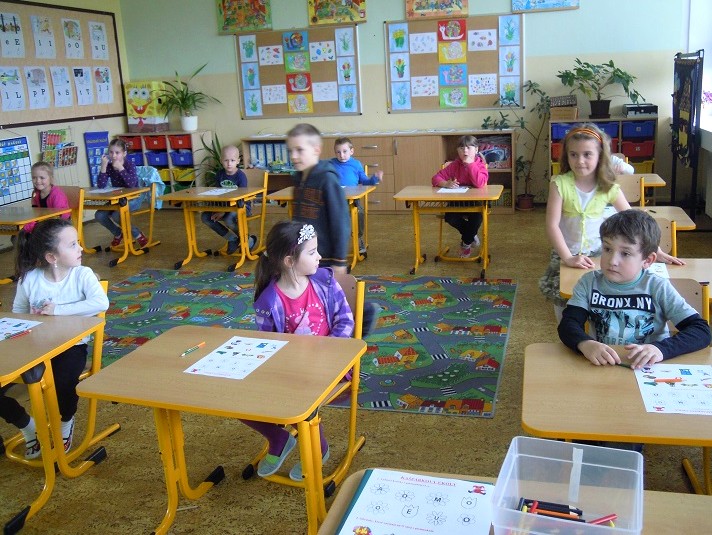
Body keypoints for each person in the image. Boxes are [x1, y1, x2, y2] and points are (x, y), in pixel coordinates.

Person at [539, 124, 682, 322]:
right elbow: (552, 225)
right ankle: (570, 333)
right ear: (566, 156)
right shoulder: (559, 184)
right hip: (566, 254)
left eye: (587, 154)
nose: (580, 161)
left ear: (600, 155)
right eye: (573, 155)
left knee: (598, 301)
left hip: (599, 255)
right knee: (565, 304)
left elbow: (634, 221)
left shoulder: (608, 186)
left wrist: (655, 251)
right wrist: (568, 257)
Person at [248, 221, 354, 480]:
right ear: (289, 261)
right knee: (236, 395)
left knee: (299, 396)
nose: (319, 256)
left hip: (331, 365)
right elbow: (269, 345)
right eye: (312, 252)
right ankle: (278, 438)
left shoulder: (325, 282)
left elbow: (345, 321)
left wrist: (326, 352)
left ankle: (319, 448)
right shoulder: (269, 301)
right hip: (288, 370)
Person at [3, 219, 109, 460]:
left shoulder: (82, 274)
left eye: (78, 242)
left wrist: (57, 310)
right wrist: (31, 319)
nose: (80, 248)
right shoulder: (30, 278)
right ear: (52, 257)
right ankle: (27, 426)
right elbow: (17, 313)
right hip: (35, 347)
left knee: (62, 382)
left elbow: (100, 302)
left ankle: (64, 422)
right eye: (72, 244)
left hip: (71, 347)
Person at [559, 209, 711, 369]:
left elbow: (701, 331)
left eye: (625, 253)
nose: (612, 261)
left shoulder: (657, 286)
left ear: (648, 260)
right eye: (607, 249)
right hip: (606, 365)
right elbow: (568, 324)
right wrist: (585, 343)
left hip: (650, 368)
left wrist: (661, 349)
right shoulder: (589, 282)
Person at [287, 124, 380, 335]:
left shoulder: (327, 178)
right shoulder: (299, 179)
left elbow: (341, 221)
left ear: (316, 150)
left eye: (299, 150)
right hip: (306, 252)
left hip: (326, 255)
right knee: (318, 293)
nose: (294, 156)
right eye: (291, 150)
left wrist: (339, 261)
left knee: (333, 293)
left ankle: (364, 314)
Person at [431, 135, 489, 258]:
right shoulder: (455, 165)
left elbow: (480, 183)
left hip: (476, 201)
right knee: (450, 217)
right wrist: (446, 184)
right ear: (458, 151)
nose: (465, 151)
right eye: (461, 148)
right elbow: (435, 178)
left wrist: (470, 165)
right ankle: (471, 235)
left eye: (468, 148)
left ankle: (466, 244)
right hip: (458, 200)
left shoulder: (480, 165)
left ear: (476, 150)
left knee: (477, 218)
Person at [330, 137, 384, 254]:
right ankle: (332, 242)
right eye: (338, 152)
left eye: (345, 151)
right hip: (334, 199)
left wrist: (375, 178)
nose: (341, 155)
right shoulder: (331, 164)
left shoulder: (356, 164)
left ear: (351, 151)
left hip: (352, 200)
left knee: (359, 213)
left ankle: (358, 239)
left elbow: (365, 181)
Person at [200, 145, 256, 255]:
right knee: (205, 217)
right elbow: (218, 194)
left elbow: (242, 198)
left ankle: (247, 240)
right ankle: (232, 239)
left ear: (238, 161)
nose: (229, 163)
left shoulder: (241, 176)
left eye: (232, 160)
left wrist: (224, 211)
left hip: (242, 206)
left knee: (229, 218)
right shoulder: (219, 175)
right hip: (224, 207)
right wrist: (219, 209)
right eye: (226, 160)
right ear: (221, 160)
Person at [96, 138, 148, 248]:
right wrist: (103, 167)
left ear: (124, 153)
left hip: (133, 198)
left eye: (117, 153)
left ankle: (138, 235)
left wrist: (121, 168)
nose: (113, 156)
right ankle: (118, 233)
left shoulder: (129, 165)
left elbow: (131, 185)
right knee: (99, 215)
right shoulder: (109, 166)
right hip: (118, 199)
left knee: (117, 215)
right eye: (111, 152)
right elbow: (101, 185)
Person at [23, 162, 71, 234]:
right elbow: (35, 213)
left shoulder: (57, 195)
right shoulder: (36, 193)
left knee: (32, 235)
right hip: (46, 222)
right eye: (34, 178)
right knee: (21, 233)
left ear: (51, 178)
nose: (38, 181)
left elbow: (59, 217)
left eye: (42, 178)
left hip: (61, 225)